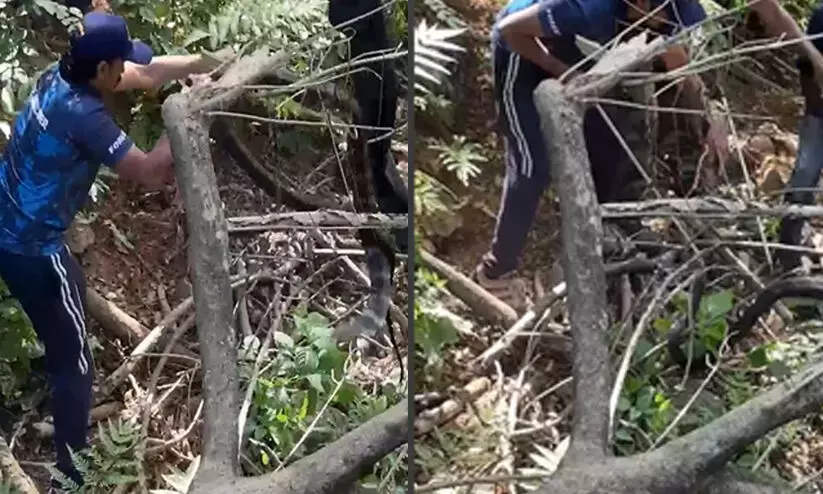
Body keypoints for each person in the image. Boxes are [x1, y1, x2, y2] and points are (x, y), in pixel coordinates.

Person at [0, 11, 222, 491]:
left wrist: (205, 62)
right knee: (76, 364)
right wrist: (188, 111)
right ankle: (70, 479)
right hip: (34, 251)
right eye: (119, 62)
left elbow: (145, 72)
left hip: (9, 224)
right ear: (102, 70)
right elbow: (148, 171)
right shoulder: (86, 117)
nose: (127, 70)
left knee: (70, 306)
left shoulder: (60, 77)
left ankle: (63, 416)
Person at [475, 0, 726, 310]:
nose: (671, 24)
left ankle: (599, 247)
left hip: (576, 59)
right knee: (531, 167)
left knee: (609, 145)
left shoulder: (660, 16)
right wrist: (561, 72)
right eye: (668, 15)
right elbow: (510, 30)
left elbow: (679, 66)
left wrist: (710, 117)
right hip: (521, 54)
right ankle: (496, 270)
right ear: (642, 3)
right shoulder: (588, 7)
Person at [776, 4, 823, 269]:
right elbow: (805, 69)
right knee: (805, 175)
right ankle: (788, 249)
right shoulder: (821, 16)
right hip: (820, 115)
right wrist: (817, 104)